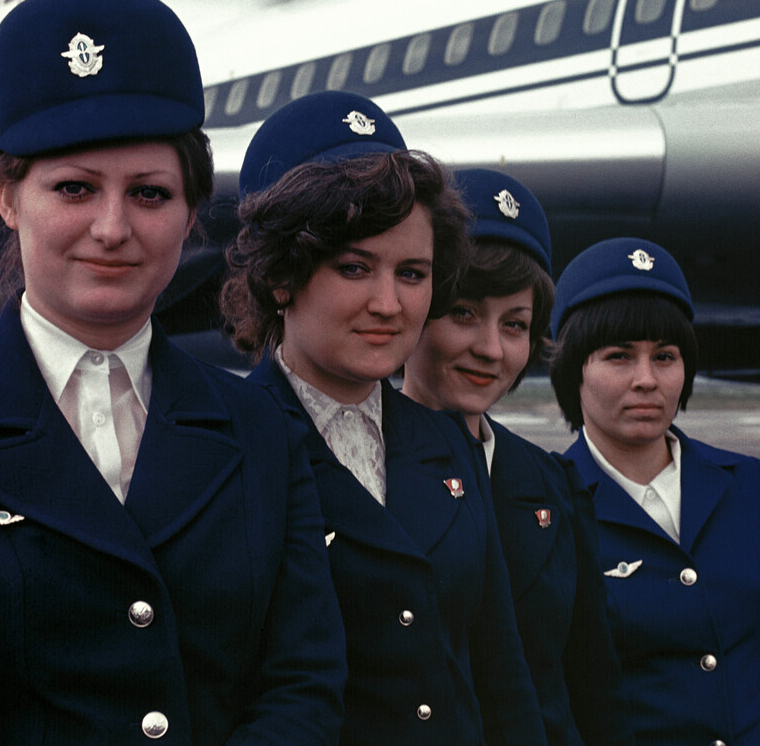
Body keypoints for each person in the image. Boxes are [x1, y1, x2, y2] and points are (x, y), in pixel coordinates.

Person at [0, 0, 346, 746]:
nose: (113, 227)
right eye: (73, 188)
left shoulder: (262, 430)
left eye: (149, 192)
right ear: (8, 197)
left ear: (188, 210)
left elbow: (303, 681)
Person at [222, 91, 547, 746]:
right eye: (354, 266)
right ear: (281, 276)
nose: (389, 302)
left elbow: (499, 673)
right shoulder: (223, 447)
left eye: (414, 272)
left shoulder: (444, 442)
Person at [549, 237, 760, 746]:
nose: (647, 380)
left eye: (665, 356)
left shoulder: (748, 484)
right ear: (574, 370)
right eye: (619, 356)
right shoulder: (549, 503)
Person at [401, 169, 634, 746]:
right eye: (463, 314)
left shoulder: (550, 483)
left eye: (516, 325)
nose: (491, 349)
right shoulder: (354, 468)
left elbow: (592, 681)